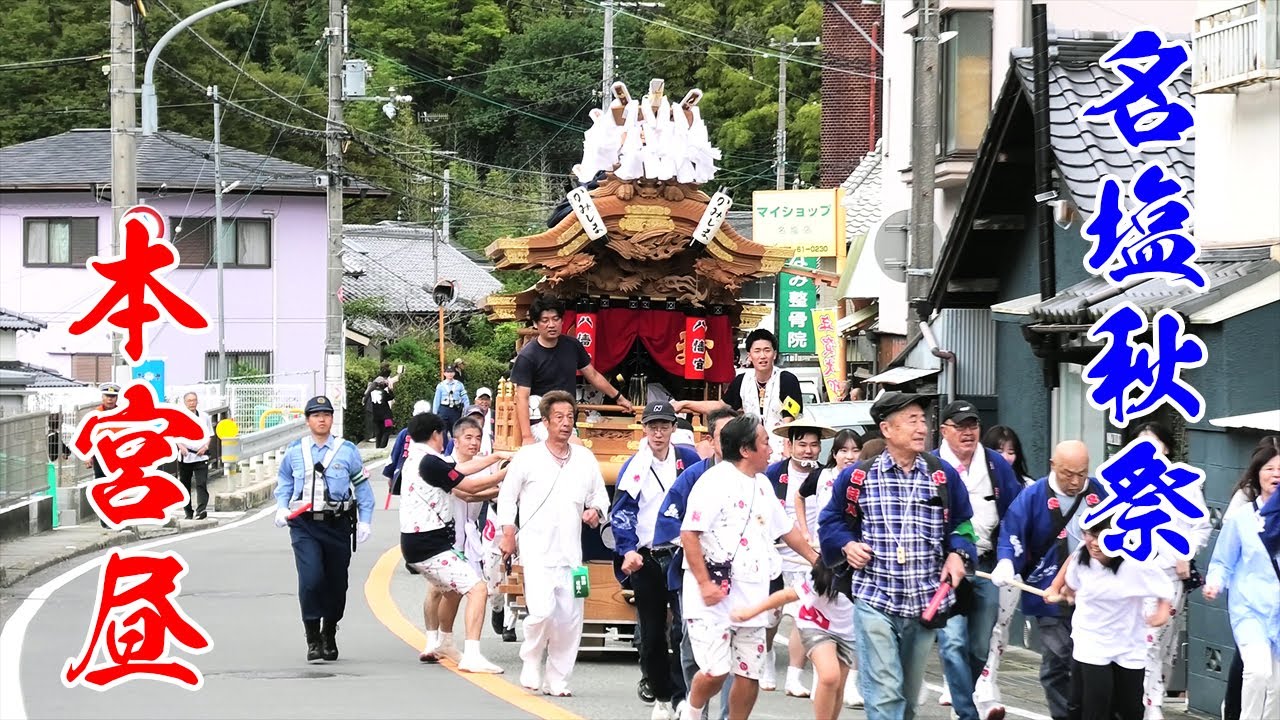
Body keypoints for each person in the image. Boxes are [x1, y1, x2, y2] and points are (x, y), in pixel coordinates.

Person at [818, 392, 977, 720]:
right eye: (911, 421)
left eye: (923, 420)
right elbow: (831, 521)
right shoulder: (858, 477)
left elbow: (963, 523)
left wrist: (958, 554)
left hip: (925, 602)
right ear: (887, 429)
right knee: (885, 694)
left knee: (907, 699)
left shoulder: (941, 475)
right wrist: (847, 545)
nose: (922, 428)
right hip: (875, 599)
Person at [678, 413, 820, 720]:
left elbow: (787, 530)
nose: (771, 449)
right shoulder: (713, 482)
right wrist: (704, 584)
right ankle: (691, 711)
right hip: (711, 594)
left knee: (748, 673)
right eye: (765, 443)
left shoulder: (764, 485)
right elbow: (689, 533)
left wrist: (816, 560)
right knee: (716, 671)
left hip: (752, 594)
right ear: (745, 449)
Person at [497, 390, 610, 697]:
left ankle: (558, 679)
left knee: (569, 621)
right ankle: (531, 657)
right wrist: (508, 532)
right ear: (545, 422)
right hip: (537, 551)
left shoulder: (584, 458)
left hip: (571, 554)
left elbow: (600, 496)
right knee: (542, 613)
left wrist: (595, 511)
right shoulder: (528, 456)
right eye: (558, 417)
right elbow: (507, 497)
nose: (565, 422)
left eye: (570, 417)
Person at [991, 440, 1105, 720]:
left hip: (1093, 592)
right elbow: (1012, 532)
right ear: (1053, 466)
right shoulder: (1033, 496)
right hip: (1049, 590)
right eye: (1068, 474)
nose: (1076, 481)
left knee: (1092, 659)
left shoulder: (1099, 492)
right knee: (1059, 656)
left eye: (1082, 473)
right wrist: (1006, 562)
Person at [932, 401, 1024, 720]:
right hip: (945, 566)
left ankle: (965, 699)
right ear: (944, 430)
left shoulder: (995, 464)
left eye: (973, 425)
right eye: (960, 426)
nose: (968, 432)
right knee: (952, 640)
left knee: (979, 645)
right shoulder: (930, 464)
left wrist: (1007, 557)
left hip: (986, 563)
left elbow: (1014, 514)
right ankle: (966, 711)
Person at [613, 401, 703, 720]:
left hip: (681, 555)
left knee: (682, 630)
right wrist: (628, 549)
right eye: (653, 426)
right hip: (647, 557)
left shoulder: (688, 460)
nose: (659, 433)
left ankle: (681, 695)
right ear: (644, 429)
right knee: (651, 635)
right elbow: (622, 511)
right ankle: (661, 694)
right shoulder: (634, 466)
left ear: (674, 428)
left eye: (665, 426)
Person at [400, 412, 508, 673]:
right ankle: (472, 654)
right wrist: (507, 474)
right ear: (437, 434)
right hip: (429, 544)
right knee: (478, 589)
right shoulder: (429, 462)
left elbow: (459, 470)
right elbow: (469, 487)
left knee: (451, 590)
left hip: (419, 543)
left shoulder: (419, 459)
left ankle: (445, 642)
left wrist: (495, 457)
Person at [273, 396, 374, 662]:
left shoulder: (347, 450)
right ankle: (312, 637)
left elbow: (361, 485)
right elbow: (284, 480)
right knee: (311, 579)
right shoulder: (295, 450)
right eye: (316, 415)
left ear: (332, 419)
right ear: (307, 420)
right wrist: (281, 506)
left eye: (326, 415)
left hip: (337, 524)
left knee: (337, 583)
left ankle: (329, 631)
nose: (322, 419)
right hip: (304, 525)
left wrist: (365, 519)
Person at [1120, 422, 1211, 720]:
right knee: (1144, 641)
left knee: (1164, 643)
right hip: (1133, 576)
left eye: (1153, 443)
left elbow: (1201, 527)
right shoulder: (1124, 484)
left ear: (1167, 448)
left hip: (1169, 576)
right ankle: (1148, 704)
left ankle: (1152, 699)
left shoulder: (1184, 484)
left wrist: (1187, 553)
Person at [653, 405, 739, 720]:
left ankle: (729, 715)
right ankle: (696, 710)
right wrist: (697, 547)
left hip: (739, 576)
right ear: (710, 440)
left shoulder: (751, 478)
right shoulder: (694, 475)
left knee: (735, 652)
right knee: (693, 647)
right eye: (723, 436)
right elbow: (670, 521)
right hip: (697, 572)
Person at [1045, 517, 1174, 720]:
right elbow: (1071, 578)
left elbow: (1164, 589)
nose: (1095, 543)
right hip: (1092, 640)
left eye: (1101, 537)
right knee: (1095, 705)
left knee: (1130, 710)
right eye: (1090, 535)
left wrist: (1162, 612)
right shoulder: (1082, 556)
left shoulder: (1135, 564)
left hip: (1129, 643)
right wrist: (1058, 589)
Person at [1204, 440, 1280, 720]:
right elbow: (1222, 561)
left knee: (1277, 687)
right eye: (1269, 468)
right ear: (1257, 474)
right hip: (1250, 609)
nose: (1276, 474)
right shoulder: (1242, 518)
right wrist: (1215, 582)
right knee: (1258, 672)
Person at [731, 559, 855, 720]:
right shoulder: (826, 572)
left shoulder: (869, 576)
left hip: (849, 634)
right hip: (816, 625)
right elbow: (788, 594)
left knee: (838, 685)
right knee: (830, 676)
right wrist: (750, 612)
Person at [764, 418, 836, 697]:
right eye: (802, 444)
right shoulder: (772, 474)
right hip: (776, 555)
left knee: (803, 615)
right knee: (771, 617)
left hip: (811, 556)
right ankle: (767, 658)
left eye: (814, 445)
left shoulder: (826, 476)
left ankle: (794, 676)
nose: (808, 450)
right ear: (790, 444)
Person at [511, 295, 633, 445]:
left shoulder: (572, 346)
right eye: (545, 320)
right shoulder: (528, 356)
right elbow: (522, 397)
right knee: (576, 446)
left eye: (555, 319)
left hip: (566, 418)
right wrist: (526, 437)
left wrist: (619, 397)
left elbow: (593, 375)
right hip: (540, 420)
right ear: (536, 324)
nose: (551, 325)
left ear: (562, 320)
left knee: (574, 450)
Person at [673, 329, 803, 461]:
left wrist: (788, 452)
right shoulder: (742, 380)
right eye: (757, 351)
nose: (762, 356)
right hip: (752, 451)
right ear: (749, 355)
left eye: (767, 350)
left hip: (782, 450)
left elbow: (789, 419)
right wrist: (685, 404)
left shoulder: (787, 379)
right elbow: (721, 406)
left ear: (774, 354)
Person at [176, 391, 213, 520]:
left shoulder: (204, 417)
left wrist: (205, 447)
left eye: (194, 400)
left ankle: (201, 510)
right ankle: (188, 512)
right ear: (185, 402)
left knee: (201, 483)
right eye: (189, 401)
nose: (192, 403)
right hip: (185, 456)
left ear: (197, 401)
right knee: (185, 484)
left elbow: (209, 435)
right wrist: (180, 446)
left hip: (201, 455)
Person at [433, 365, 468, 438]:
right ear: (444, 374)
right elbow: (436, 400)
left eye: (451, 372)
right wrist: (435, 413)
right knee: (442, 432)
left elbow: (465, 398)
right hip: (444, 410)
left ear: (454, 373)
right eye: (448, 372)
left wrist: (467, 409)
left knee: (455, 431)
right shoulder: (440, 386)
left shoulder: (459, 385)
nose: (450, 374)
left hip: (455, 410)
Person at [475, 387, 495, 456]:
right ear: (476, 400)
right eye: (481, 399)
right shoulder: (470, 414)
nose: (484, 402)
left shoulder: (495, 415)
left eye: (487, 399)